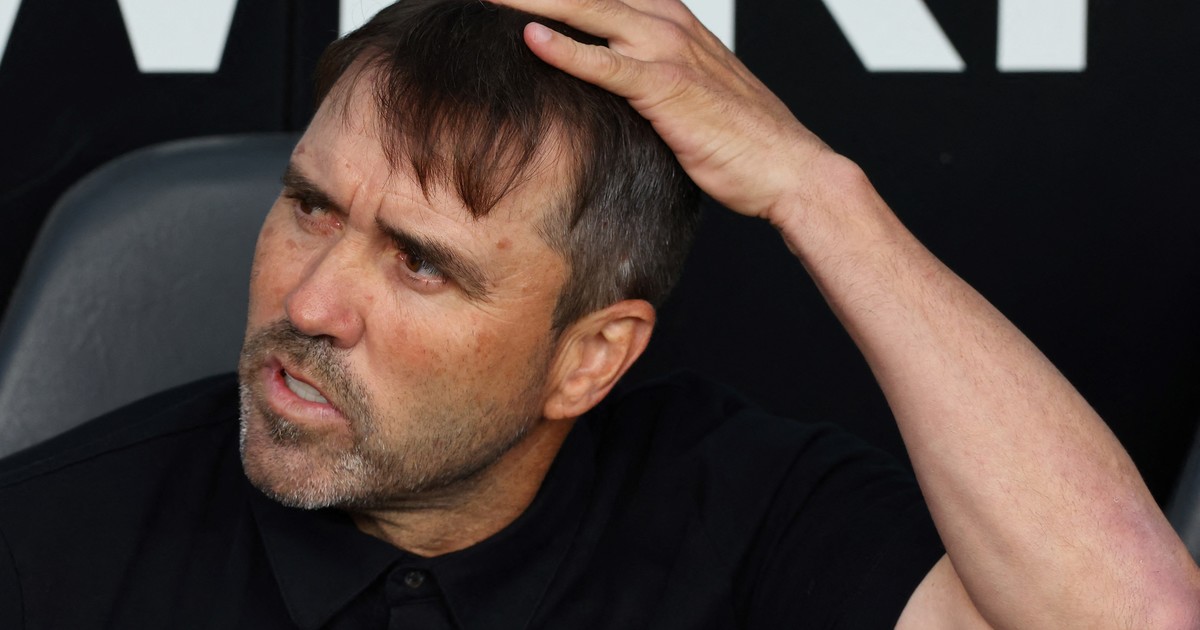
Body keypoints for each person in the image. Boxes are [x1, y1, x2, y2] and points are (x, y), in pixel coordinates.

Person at [2, 0, 1198, 627]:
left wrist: (815, 191)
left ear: (591, 359)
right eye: (311, 208)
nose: (310, 303)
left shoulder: (745, 515)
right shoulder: (45, 543)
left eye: (421, 265)